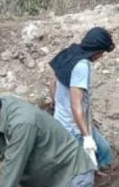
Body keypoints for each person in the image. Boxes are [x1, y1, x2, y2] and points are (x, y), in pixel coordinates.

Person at [49, 27, 115, 169]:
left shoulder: (70, 53)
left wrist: (55, 103)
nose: (101, 56)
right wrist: (86, 136)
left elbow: (53, 83)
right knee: (85, 168)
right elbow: (76, 104)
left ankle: (104, 175)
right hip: (73, 128)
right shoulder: (82, 66)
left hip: (69, 120)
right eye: (102, 53)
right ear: (97, 51)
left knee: (104, 151)